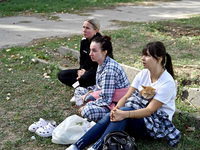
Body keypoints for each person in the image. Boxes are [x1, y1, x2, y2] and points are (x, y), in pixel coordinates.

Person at [66, 41, 181, 150]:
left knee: (122, 114)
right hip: (137, 113)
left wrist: (123, 113)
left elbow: (149, 111)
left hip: (156, 123)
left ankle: (96, 147)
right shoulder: (143, 73)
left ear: (159, 59)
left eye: (147, 55)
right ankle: (77, 146)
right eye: (143, 54)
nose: (143, 58)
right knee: (115, 115)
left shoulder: (167, 82)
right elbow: (126, 97)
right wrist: (116, 110)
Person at [74, 35, 130, 122]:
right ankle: (82, 108)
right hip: (104, 96)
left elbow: (106, 100)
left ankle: (83, 109)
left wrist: (87, 101)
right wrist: (87, 94)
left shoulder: (109, 70)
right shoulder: (101, 63)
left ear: (104, 52)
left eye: (94, 51)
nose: (90, 54)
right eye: (90, 50)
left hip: (114, 104)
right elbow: (98, 87)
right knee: (79, 90)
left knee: (88, 111)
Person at [57, 17, 102, 88]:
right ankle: (81, 86)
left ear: (96, 30)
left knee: (83, 79)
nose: (84, 30)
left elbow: (98, 65)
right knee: (61, 75)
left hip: (97, 72)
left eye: (87, 28)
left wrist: (85, 73)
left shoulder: (100, 43)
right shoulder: (84, 41)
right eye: (83, 27)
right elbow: (82, 59)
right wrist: (81, 70)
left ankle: (80, 86)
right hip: (85, 71)